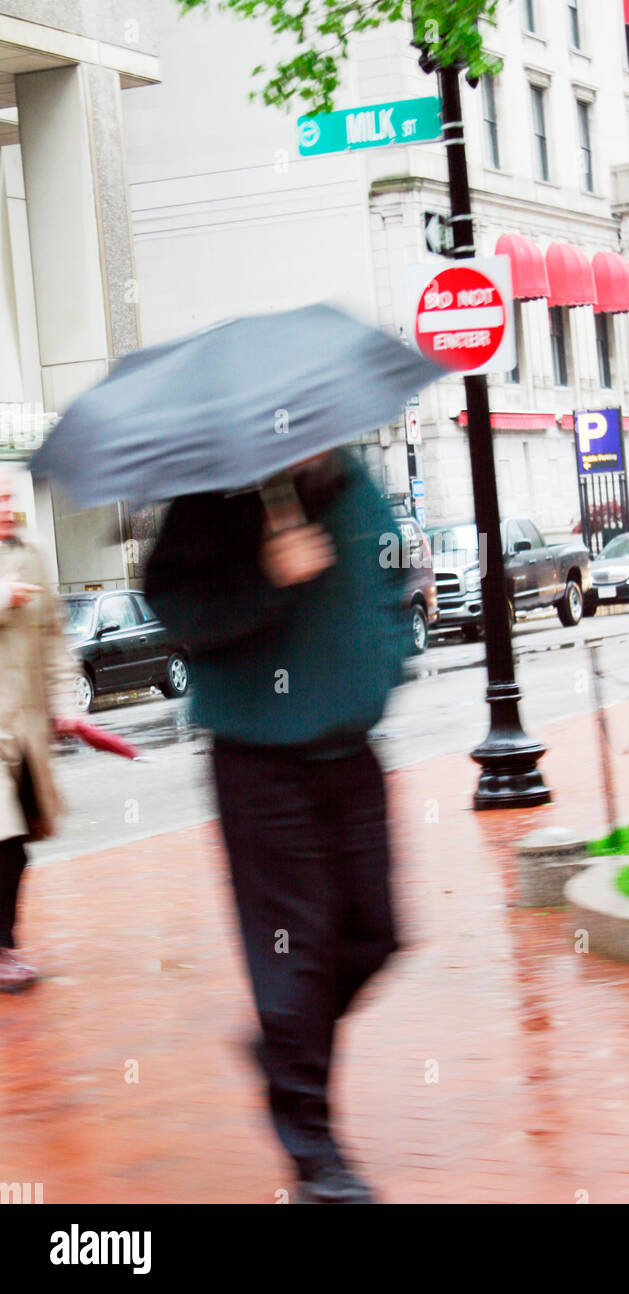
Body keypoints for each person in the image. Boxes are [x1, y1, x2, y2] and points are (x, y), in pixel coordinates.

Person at [144, 449, 409, 1204]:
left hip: (351, 752)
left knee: (375, 934)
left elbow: (391, 582)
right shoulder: (214, 495)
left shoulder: (355, 484)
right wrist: (265, 578)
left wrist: (388, 666)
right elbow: (174, 606)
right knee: (296, 955)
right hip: (261, 761)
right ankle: (313, 1153)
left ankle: (279, 1048)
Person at [0, 468, 79, 992]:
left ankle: (5, 947)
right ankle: (3, 951)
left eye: (10, 497)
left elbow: (54, 636)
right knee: (4, 843)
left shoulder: (30, 555)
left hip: (23, 727)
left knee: (19, 845)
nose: (8, 506)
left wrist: (67, 704)